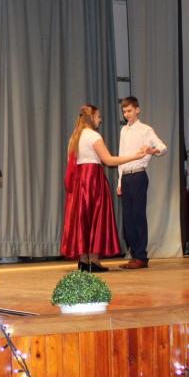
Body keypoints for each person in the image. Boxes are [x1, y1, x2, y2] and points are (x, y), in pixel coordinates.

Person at [61, 104, 152, 272]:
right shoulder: (93, 136)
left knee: (82, 219)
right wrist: (135, 156)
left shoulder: (74, 138)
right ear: (91, 118)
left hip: (80, 181)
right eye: (98, 117)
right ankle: (94, 260)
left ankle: (83, 260)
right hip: (92, 179)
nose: (100, 120)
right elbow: (109, 160)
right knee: (96, 217)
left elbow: (71, 164)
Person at [115, 96, 167, 269]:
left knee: (138, 216)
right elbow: (121, 156)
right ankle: (134, 254)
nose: (126, 114)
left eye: (129, 111)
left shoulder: (146, 130)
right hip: (126, 177)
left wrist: (151, 150)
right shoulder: (124, 131)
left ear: (137, 110)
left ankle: (141, 256)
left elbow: (163, 148)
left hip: (138, 176)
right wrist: (120, 181)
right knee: (127, 219)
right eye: (124, 111)